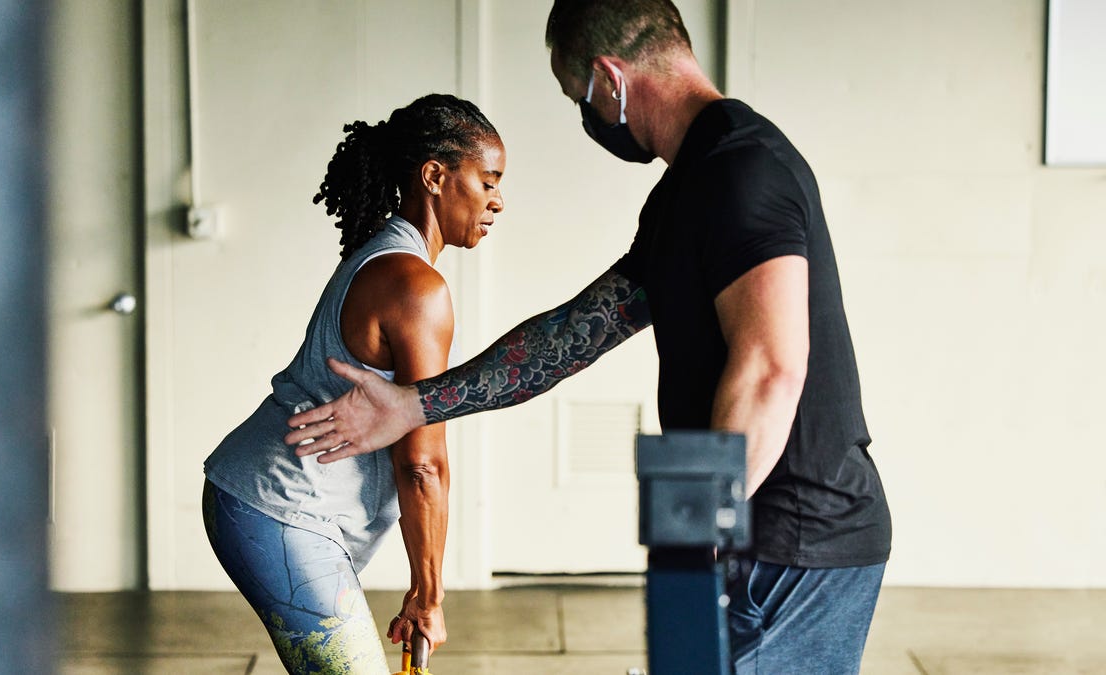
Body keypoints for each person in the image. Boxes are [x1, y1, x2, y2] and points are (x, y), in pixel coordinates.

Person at [285, 1, 892, 673]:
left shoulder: (742, 171)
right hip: (758, 536)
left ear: (610, 79)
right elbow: (574, 334)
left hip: (796, 540)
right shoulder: (686, 192)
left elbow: (772, 367)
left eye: (580, 97)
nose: (587, 116)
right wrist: (415, 403)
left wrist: (698, 540)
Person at [202, 93, 505, 674]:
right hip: (282, 506)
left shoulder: (383, 257)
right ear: (435, 177)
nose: (498, 200)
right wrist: (428, 594)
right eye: (487, 181)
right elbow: (421, 463)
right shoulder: (416, 287)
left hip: (263, 497)